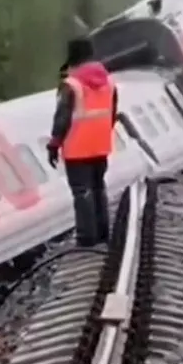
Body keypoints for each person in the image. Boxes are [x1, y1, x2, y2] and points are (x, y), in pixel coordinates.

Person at [49, 37, 118, 246]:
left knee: (82, 192)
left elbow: (63, 117)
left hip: (77, 149)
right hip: (101, 146)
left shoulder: (71, 85)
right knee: (98, 188)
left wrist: (54, 144)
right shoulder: (109, 81)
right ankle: (103, 233)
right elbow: (112, 114)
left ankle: (87, 237)